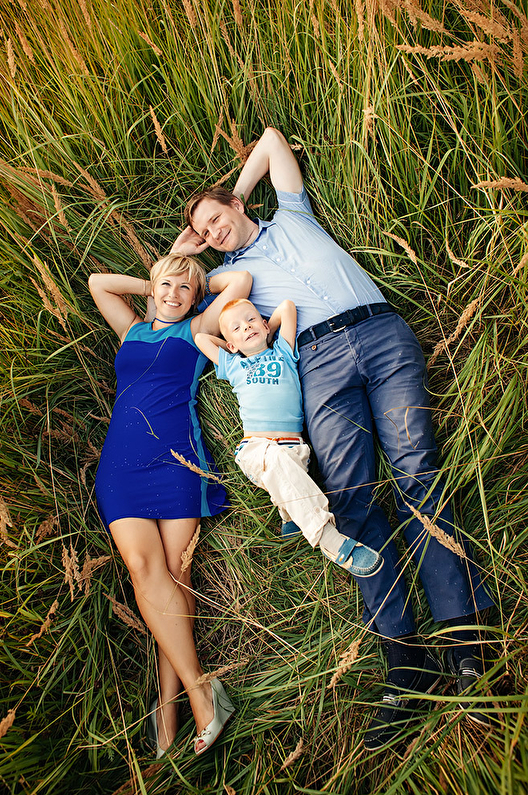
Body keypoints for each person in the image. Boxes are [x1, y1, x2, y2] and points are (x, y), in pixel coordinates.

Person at [172, 128, 496, 749]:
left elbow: (271, 143)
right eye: (204, 231)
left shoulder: (292, 214)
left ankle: (464, 639)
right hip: (317, 365)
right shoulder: (231, 281)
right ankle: (405, 665)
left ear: (239, 204)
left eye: (217, 219)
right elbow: (185, 313)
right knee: (350, 497)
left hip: (381, 335)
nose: (213, 232)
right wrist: (191, 248)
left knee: (417, 472)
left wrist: (228, 197)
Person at [89, 254, 250, 757]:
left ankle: (170, 711)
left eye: (184, 289)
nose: (173, 295)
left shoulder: (197, 328)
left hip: (176, 462)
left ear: (195, 297)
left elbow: (240, 280)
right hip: (120, 469)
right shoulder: (131, 330)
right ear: (153, 288)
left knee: (175, 582)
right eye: (166, 286)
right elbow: (98, 282)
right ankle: (202, 693)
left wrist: (197, 282)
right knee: (144, 570)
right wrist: (156, 280)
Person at [195, 297, 383, 578]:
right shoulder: (233, 366)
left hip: (295, 448)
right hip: (256, 448)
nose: (246, 327)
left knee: (287, 471)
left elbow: (287, 307)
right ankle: (329, 539)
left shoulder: (283, 351)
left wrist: (265, 329)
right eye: (237, 328)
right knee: (275, 460)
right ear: (231, 344)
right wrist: (232, 345)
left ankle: (290, 516)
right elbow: (201, 338)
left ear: (264, 324)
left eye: (251, 320)